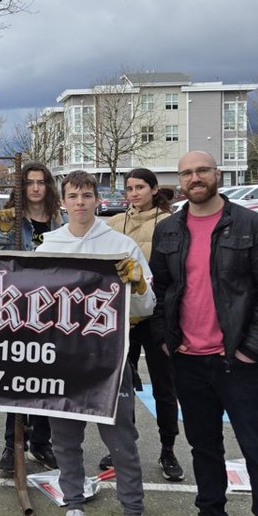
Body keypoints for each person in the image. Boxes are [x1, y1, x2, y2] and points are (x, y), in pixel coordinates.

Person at [151, 151, 258, 516]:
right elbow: (161, 288)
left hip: (237, 361)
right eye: (187, 172)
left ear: (217, 175)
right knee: (204, 446)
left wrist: (252, 349)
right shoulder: (168, 229)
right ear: (179, 181)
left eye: (202, 171)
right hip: (189, 360)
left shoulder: (250, 225)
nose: (195, 178)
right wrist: (165, 339)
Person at [36, 171, 158, 516]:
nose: (81, 202)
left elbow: (146, 307)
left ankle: (133, 514)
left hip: (110, 360)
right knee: (65, 441)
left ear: (97, 200)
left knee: (122, 439)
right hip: (63, 360)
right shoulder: (47, 248)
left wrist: (138, 285)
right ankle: (74, 508)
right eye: (73, 196)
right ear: (63, 202)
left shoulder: (121, 246)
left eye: (87, 195)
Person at [101, 168, 185, 482]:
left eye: (140, 187)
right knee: (122, 386)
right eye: (129, 188)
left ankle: (168, 448)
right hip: (123, 314)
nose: (134, 193)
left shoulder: (171, 223)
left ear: (153, 189)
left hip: (159, 314)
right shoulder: (114, 222)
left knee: (164, 385)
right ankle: (122, 445)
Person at [0, 161, 61, 475]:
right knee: (17, 379)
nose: (35, 188)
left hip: (54, 309)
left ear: (48, 186)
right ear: (21, 187)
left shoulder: (60, 221)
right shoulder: (10, 219)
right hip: (18, 308)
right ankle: (12, 442)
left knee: (47, 380)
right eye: (29, 182)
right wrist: (3, 231)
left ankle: (41, 443)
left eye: (41, 182)